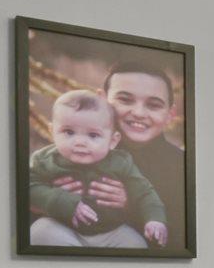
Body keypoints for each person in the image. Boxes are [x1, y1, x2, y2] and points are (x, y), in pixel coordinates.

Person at [51, 59, 187, 248]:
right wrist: (45, 201)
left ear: (170, 114)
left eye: (154, 105)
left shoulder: (183, 167)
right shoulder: (69, 150)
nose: (139, 113)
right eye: (125, 100)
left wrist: (131, 207)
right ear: (102, 100)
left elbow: (184, 243)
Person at [27, 90, 168, 250]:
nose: (80, 142)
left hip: (111, 231)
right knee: (39, 232)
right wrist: (58, 199)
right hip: (62, 227)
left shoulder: (121, 162)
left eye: (93, 135)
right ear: (52, 132)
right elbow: (29, 186)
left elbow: (144, 192)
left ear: (113, 141)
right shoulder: (45, 160)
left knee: (136, 243)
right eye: (69, 132)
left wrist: (155, 219)